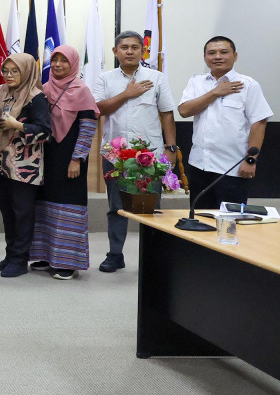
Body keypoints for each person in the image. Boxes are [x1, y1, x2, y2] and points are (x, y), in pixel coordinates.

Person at [93, 31, 178, 273]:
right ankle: (115, 254)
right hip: (115, 154)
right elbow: (98, 109)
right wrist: (126, 94)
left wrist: (171, 148)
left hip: (149, 154)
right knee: (116, 206)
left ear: (143, 51)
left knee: (151, 207)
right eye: (124, 47)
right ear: (115, 52)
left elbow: (167, 113)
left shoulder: (157, 78)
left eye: (134, 47)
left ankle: (154, 257)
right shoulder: (105, 79)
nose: (129, 51)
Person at [177, 36, 272, 206]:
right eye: (211, 53)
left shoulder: (248, 85)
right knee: (200, 220)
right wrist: (215, 92)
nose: (217, 56)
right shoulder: (196, 81)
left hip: (232, 168)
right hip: (199, 165)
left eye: (224, 52)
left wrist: (251, 159)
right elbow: (184, 111)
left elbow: (259, 122)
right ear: (205, 57)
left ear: (235, 56)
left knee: (229, 223)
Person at [31, 46, 99, 280]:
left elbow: (88, 128)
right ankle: (45, 255)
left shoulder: (82, 91)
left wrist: (77, 159)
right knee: (44, 204)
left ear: (73, 64)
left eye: (64, 61)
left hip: (70, 158)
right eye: (55, 60)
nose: (58, 65)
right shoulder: (44, 89)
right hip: (45, 157)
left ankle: (67, 262)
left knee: (68, 206)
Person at [0, 53, 51, 278]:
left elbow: (46, 132)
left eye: (14, 71)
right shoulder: (2, 93)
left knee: (22, 213)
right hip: (0, 162)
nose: (9, 75)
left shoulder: (37, 97)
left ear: (26, 71)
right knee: (7, 212)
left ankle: (20, 259)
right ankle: (10, 254)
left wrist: (19, 126)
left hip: (25, 165)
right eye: (5, 71)